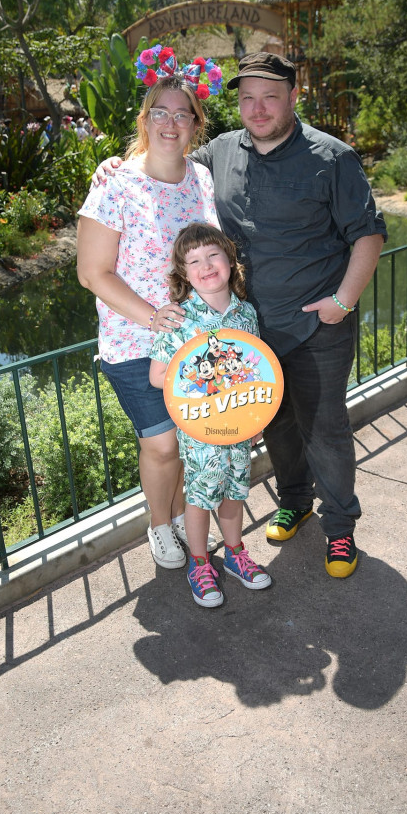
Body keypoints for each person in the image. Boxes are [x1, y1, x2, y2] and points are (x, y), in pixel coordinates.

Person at [94, 51, 387, 579]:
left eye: (270, 96)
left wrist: (342, 303)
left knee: (325, 429)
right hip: (248, 332)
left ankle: (340, 529)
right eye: (247, 97)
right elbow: (164, 149)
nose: (257, 108)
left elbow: (367, 234)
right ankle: (294, 501)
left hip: (317, 325)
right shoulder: (220, 154)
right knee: (273, 426)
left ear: (293, 98)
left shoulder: (333, 157)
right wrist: (117, 161)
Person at [76, 48, 224, 571]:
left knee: (188, 439)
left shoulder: (201, 181)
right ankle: (159, 525)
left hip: (194, 341)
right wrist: (153, 316)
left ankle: (182, 512)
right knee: (161, 444)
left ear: (195, 125)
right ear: (144, 120)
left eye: (181, 114)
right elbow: (93, 272)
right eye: (159, 112)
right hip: (134, 342)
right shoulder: (115, 182)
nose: (170, 122)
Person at [149, 222, 271, 608]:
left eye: (214, 254)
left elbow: (258, 371)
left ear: (230, 261)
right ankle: (200, 564)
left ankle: (235, 554)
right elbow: (157, 376)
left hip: (239, 425)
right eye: (194, 260)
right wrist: (195, 373)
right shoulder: (178, 319)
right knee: (200, 498)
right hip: (200, 429)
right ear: (184, 274)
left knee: (235, 491)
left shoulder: (246, 313)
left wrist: (258, 420)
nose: (206, 265)